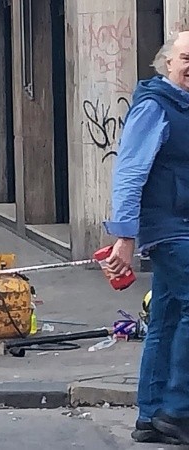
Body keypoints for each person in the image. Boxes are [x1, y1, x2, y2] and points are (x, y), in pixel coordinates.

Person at [105, 32, 189, 446]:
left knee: (167, 316)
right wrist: (124, 235)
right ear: (166, 64)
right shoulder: (156, 106)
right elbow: (131, 170)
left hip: (179, 224)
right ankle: (178, 410)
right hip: (169, 227)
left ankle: (150, 415)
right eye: (186, 58)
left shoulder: (183, 108)